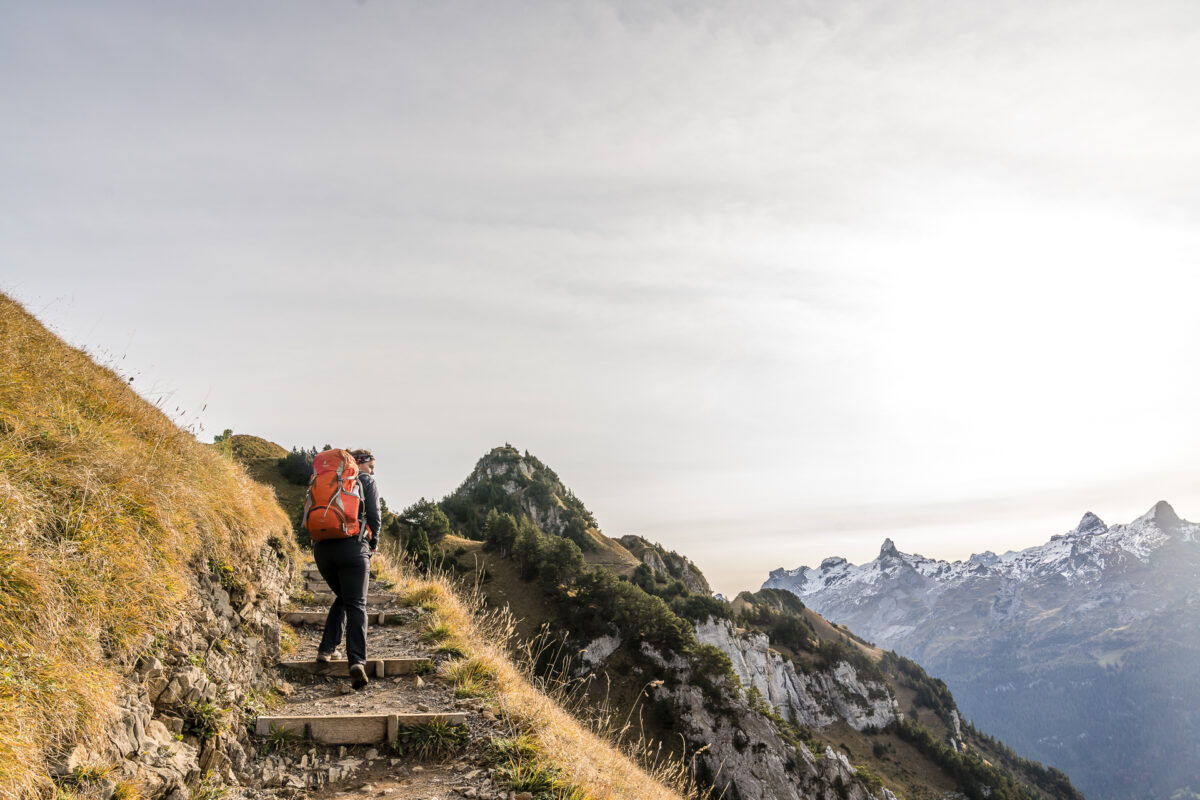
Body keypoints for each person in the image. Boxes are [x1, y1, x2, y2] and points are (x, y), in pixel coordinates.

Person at [313, 448, 381, 690]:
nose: (373, 471)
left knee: (343, 596)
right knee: (356, 604)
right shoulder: (365, 481)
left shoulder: (327, 479)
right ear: (360, 464)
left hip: (322, 550)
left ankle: (326, 649)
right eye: (371, 466)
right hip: (352, 547)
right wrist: (372, 543)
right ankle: (357, 662)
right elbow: (374, 515)